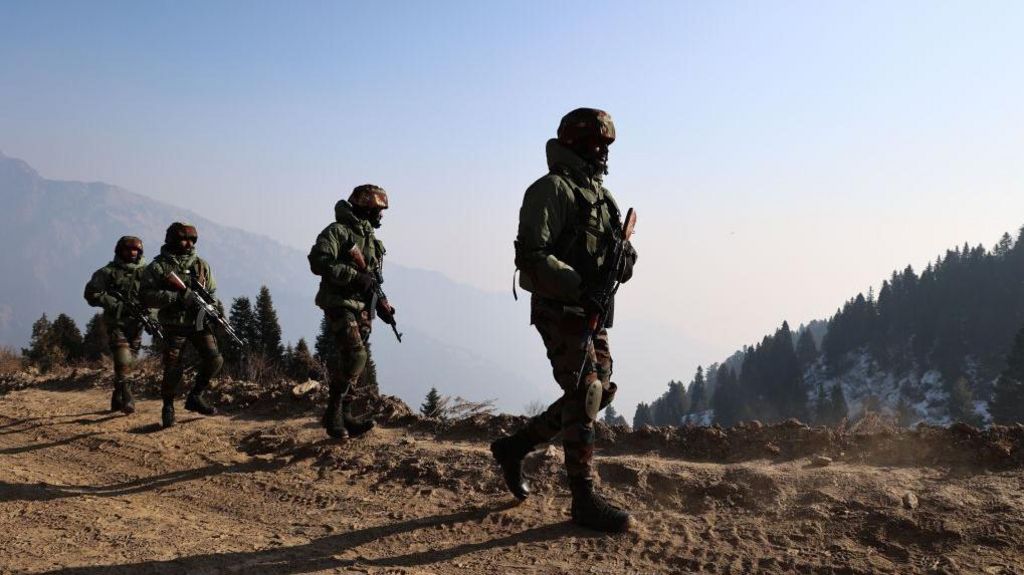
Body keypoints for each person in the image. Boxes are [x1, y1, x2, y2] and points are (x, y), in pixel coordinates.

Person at [491, 108, 638, 532]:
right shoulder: (551, 190)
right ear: (575, 142)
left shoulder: (602, 198)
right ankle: (582, 498)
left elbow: (620, 262)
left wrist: (623, 258)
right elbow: (531, 260)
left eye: (607, 145)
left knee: (597, 391)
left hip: (590, 309)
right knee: (586, 392)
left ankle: (514, 447)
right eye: (597, 143)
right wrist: (578, 284)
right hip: (560, 309)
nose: (604, 152)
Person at [308, 184, 395, 440]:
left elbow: (372, 282)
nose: (381, 216)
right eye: (378, 210)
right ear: (365, 208)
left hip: (362, 307)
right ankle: (333, 414)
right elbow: (318, 261)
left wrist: (383, 305)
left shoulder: (372, 241)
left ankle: (345, 414)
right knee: (356, 355)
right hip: (339, 302)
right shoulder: (338, 232)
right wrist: (353, 276)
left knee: (355, 361)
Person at [140, 222, 224, 428]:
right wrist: (176, 297)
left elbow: (211, 292)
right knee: (172, 368)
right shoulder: (159, 267)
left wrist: (213, 310)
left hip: (198, 322)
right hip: (173, 323)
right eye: (183, 239)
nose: (188, 244)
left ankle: (196, 396)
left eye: (191, 240)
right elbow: (146, 296)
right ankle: (168, 406)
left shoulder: (201, 265)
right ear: (171, 240)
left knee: (215, 360)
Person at [83, 236, 150, 414]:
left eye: (135, 250)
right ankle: (128, 397)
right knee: (122, 359)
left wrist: (151, 313)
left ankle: (118, 394)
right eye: (128, 249)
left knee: (130, 362)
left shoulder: (147, 273)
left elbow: (156, 296)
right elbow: (91, 294)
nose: (132, 253)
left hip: (137, 324)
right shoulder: (107, 272)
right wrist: (113, 303)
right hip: (116, 323)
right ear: (120, 251)